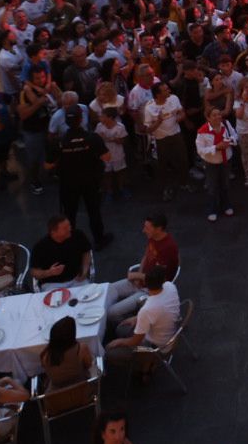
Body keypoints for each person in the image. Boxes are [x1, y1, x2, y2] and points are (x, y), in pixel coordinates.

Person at [48, 110, 112, 248]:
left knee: (70, 214)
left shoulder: (59, 141)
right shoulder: (93, 137)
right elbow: (107, 157)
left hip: (68, 184)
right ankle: (99, 240)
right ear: (81, 119)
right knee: (94, 211)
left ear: (66, 121)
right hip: (90, 181)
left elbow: (47, 165)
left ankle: (69, 242)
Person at [102, 266, 180, 376]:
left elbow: (135, 341)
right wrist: (136, 318)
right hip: (171, 334)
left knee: (109, 352)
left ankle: (144, 367)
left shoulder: (147, 310)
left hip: (155, 347)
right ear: (163, 280)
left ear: (146, 284)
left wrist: (119, 342)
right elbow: (158, 310)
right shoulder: (170, 286)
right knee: (121, 328)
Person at [107, 213, 180, 325]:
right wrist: (139, 275)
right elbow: (146, 256)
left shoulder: (168, 247)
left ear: (158, 229)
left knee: (111, 313)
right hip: (141, 281)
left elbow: (158, 279)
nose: (143, 230)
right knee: (108, 289)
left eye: (147, 228)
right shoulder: (153, 237)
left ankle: (133, 325)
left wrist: (136, 276)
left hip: (150, 289)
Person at [29, 215, 93, 289]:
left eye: (69, 225)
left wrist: (84, 271)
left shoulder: (78, 235)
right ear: (53, 232)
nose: (70, 229)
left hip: (77, 280)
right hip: (52, 284)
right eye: (65, 228)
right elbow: (34, 272)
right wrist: (49, 272)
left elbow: (86, 252)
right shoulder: (40, 247)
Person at [40, 315, 96, 389]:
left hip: (57, 396)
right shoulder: (80, 349)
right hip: (83, 391)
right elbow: (88, 365)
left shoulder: (45, 355)